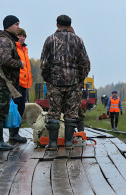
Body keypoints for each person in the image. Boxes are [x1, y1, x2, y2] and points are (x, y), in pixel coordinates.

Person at [40, 14, 90, 150]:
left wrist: (48, 79)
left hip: (55, 83)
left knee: (54, 112)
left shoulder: (50, 40)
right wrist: (80, 79)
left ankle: (52, 144)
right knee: (72, 113)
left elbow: (44, 63)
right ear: (70, 25)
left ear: (57, 24)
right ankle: (68, 143)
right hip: (73, 83)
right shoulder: (78, 40)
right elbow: (85, 63)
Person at [0, 15, 25, 150]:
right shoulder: (4, 40)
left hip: (4, 82)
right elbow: (5, 60)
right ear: (8, 25)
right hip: (1, 82)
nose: (18, 27)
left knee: (2, 110)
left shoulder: (7, 40)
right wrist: (20, 64)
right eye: (16, 24)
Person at [9, 28, 33, 143]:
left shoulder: (24, 49)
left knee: (21, 108)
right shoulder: (14, 48)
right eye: (19, 35)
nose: (22, 38)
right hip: (17, 83)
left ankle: (15, 133)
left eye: (24, 36)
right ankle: (13, 134)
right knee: (16, 108)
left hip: (24, 83)